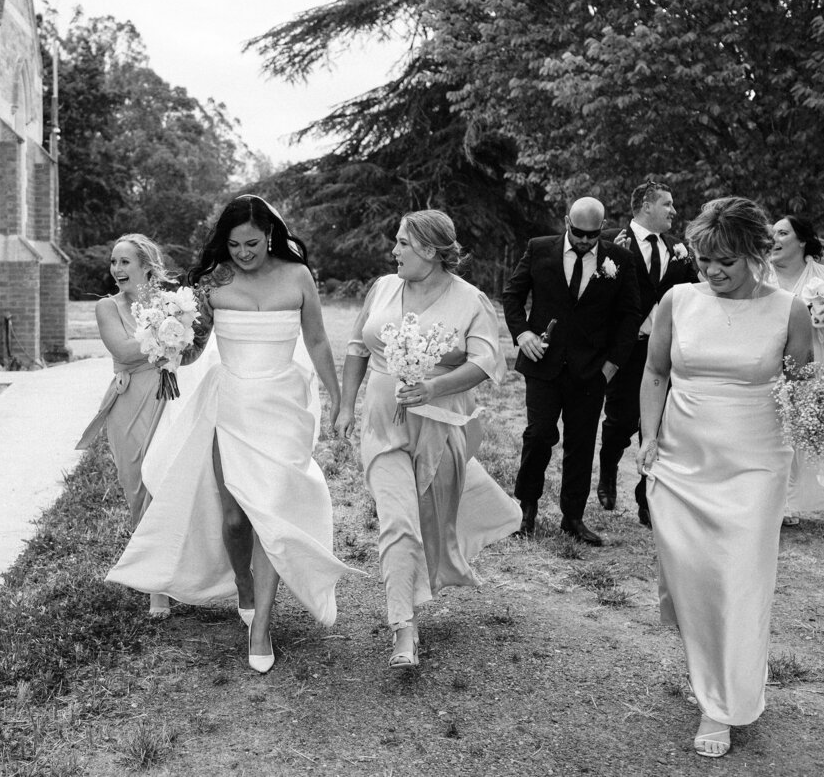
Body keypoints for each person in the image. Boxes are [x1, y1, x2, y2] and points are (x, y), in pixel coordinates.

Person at [106, 195, 357, 674]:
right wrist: (168, 344)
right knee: (236, 517)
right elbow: (196, 348)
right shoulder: (213, 280)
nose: (244, 252)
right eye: (235, 243)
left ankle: (261, 627)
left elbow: (319, 340)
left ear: (270, 235)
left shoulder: (297, 276)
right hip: (232, 403)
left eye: (253, 243)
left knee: (269, 513)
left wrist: (342, 400)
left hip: (283, 406)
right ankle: (242, 581)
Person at [638, 197, 812, 758]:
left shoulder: (790, 311)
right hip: (683, 460)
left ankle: (721, 705)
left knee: (739, 579)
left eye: (726, 263)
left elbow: (803, 390)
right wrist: (648, 438)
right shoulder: (677, 300)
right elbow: (656, 371)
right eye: (704, 260)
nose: (712, 272)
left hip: (756, 462)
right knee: (693, 576)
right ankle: (715, 668)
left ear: (756, 254)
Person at [333, 210, 521, 669]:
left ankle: (437, 570)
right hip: (382, 423)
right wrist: (344, 405)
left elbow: (486, 362)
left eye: (402, 243)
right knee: (397, 521)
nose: (393, 251)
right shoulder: (382, 287)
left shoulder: (471, 300)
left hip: (441, 422)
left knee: (431, 519)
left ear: (431, 251)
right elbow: (358, 346)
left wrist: (433, 386)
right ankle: (403, 627)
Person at [501, 197, 641, 545]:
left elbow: (629, 316)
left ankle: (573, 518)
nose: (584, 241)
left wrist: (612, 364)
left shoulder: (619, 260)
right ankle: (527, 508)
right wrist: (523, 333)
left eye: (592, 235)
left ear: (602, 228)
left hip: (591, 370)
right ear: (566, 222)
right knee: (538, 435)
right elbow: (512, 296)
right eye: (578, 233)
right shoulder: (539, 248)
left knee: (581, 443)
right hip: (544, 363)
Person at [75, 233, 177, 618]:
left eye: (124, 262)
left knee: (163, 483)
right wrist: (169, 338)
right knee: (136, 487)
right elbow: (121, 350)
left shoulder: (169, 304)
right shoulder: (107, 307)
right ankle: (151, 573)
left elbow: (192, 344)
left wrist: (175, 334)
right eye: (113, 262)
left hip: (169, 398)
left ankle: (160, 585)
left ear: (146, 267)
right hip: (129, 402)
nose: (116, 269)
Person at [598, 181, 699, 528]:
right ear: (645, 205)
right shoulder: (609, 238)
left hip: (664, 352)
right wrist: (612, 253)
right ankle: (608, 467)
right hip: (627, 348)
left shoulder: (678, 248)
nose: (673, 211)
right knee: (621, 420)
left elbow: (694, 291)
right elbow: (594, 292)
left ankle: (646, 498)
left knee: (654, 427)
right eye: (667, 204)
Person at [768, 215, 824, 526]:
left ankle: (788, 499)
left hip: (815, 360)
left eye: (783, 233)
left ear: (801, 241)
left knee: (800, 428)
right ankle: (772, 498)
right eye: (772, 233)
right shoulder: (760, 273)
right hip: (771, 357)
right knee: (773, 426)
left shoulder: (823, 275)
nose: (774, 238)